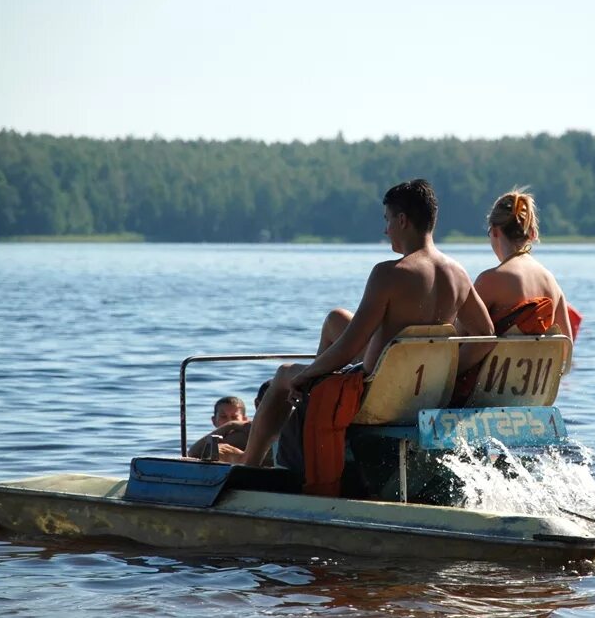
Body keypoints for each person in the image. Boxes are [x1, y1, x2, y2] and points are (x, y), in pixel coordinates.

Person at [232, 179, 494, 494]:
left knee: (285, 375)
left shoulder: (390, 273)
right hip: (426, 393)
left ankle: (248, 470)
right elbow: (486, 335)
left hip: (377, 396)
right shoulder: (458, 274)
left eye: (387, 220)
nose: (386, 231)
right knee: (336, 319)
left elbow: (349, 347)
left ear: (402, 220)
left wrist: (309, 375)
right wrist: (447, 372)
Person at [450, 187, 576, 406]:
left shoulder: (491, 280)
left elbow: (456, 338)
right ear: (532, 234)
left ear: (495, 231)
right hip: (531, 398)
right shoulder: (552, 283)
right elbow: (565, 353)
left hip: (481, 396)